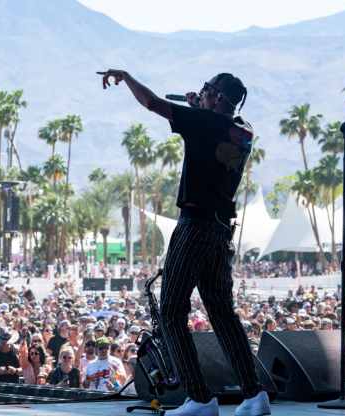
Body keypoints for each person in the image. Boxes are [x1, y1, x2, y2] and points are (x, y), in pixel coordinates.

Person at [98, 69, 269, 416]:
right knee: (221, 312)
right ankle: (254, 395)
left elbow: (152, 103)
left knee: (173, 312)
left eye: (207, 89)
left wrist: (127, 76)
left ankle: (200, 398)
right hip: (221, 229)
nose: (201, 91)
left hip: (194, 225)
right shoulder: (244, 132)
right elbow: (224, 131)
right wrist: (201, 109)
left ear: (219, 97)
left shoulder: (203, 122)